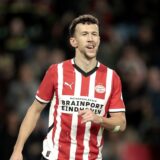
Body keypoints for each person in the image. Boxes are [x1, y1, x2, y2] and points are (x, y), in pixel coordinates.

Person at [10, 14, 126, 160]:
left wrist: (100, 119)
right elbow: (35, 110)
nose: (90, 38)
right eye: (84, 34)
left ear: (99, 40)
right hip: (53, 156)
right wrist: (17, 150)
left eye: (94, 34)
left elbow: (120, 124)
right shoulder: (56, 71)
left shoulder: (111, 77)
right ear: (73, 41)